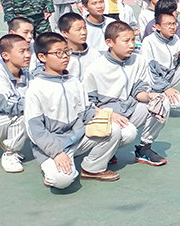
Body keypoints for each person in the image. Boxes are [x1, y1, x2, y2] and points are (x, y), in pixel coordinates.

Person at [25, 32, 122, 187]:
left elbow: (86, 110)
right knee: (62, 181)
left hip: (78, 137)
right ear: (42, 57)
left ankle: (92, 168)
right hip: (53, 145)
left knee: (115, 129)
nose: (65, 56)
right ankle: (54, 172)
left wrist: (103, 117)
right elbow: (35, 130)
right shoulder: (36, 88)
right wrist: (57, 152)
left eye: (66, 51)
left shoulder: (74, 81)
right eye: (58, 53)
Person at [83, 21, 169, 166]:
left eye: (133, 40)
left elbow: (138, 92)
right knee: (128, 133)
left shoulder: (138, 60)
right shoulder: (95, 68)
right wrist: (110, 115)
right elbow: (88, 104)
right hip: (105, 116)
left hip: (128, 110)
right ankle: (106, 149)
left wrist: (149, 96)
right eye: (126, 41)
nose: (131, 45)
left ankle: (144, 148)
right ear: (109, 42)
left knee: (162, 102)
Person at [0, 34, 31, 173]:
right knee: (22, 114)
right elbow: (9, 104)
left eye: (28, 50)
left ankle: (7, 139)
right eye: (22, 51)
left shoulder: (25, 72)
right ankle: (10, 153)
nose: (27, 55)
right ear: (6, 55)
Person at [59, 13, 100, 79]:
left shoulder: (95, 55)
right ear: (65, 33)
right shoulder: (60, 57)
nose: (83, 32)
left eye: (85, 28)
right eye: (78, 30)